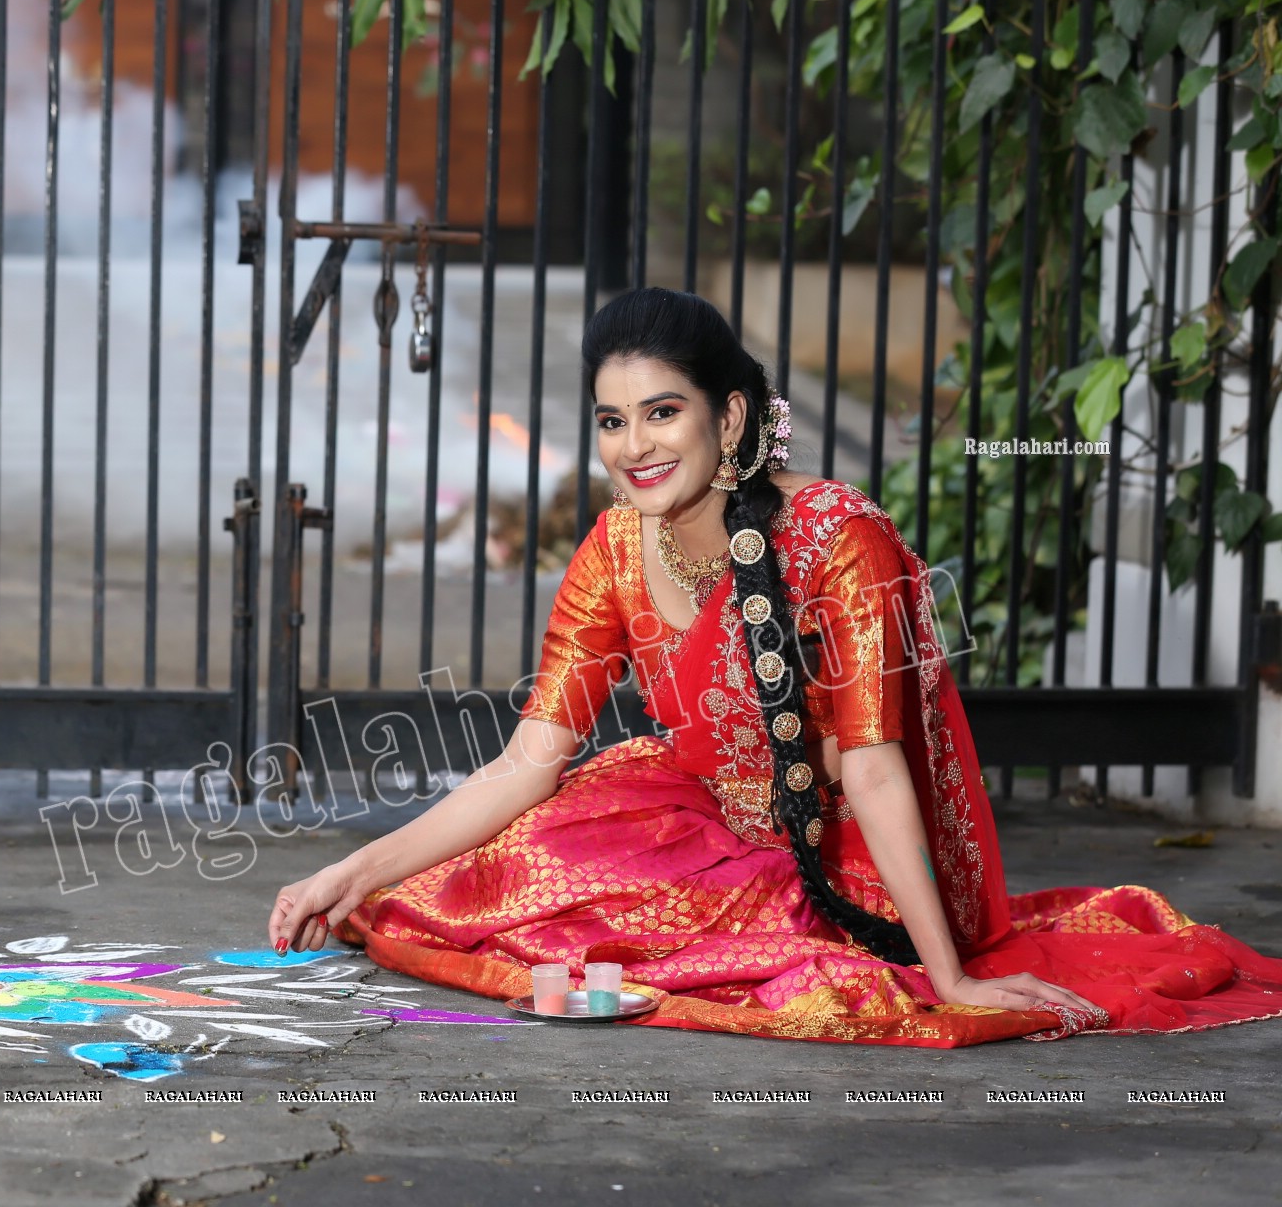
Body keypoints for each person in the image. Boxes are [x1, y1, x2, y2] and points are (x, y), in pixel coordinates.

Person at [265, 286, 1282, 1046]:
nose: (634, 446)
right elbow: (528, 759)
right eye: (613, 421)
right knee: (506, 855)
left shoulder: (842, 540)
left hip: (841, 854)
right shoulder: (618, 546)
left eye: (664, 412)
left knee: (763, 963)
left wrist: (951, 976)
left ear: (733, 417)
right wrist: (349, 866)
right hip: (697, 815)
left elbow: (875, 770)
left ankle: (836, 937)